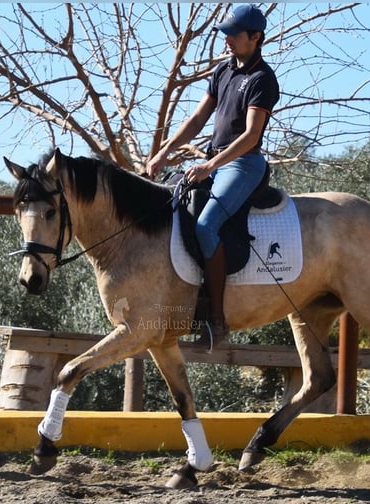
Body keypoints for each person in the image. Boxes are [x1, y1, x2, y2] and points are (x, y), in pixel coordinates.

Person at [146, 4, 280, 352]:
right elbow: (195, 121)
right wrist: (163, 151)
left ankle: (216, 321)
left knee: (206, 227)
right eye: (226, 34)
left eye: (234, 34)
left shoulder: (263, 79)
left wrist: (209, 166)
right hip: (212, 160)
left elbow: (251, 137)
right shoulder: (223, 71)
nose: (228, 40)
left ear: (255, 37)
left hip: (243, 164)